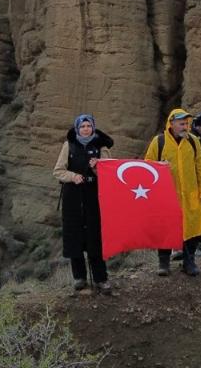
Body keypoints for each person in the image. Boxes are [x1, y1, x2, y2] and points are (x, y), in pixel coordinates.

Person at [53, 114, 114, 295]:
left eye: (88, 126)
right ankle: (79, 278)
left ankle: (101, 279)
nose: (86, 129)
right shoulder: (68, 145)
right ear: (77, 128)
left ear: (93, 127)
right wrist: (73, 177)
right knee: (74, 237)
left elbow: (109, 172)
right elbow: (58, 171)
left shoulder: (101, 146)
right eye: (83, 126)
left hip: (94, 197)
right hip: (73, 198)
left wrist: (97, 167)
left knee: (95, 238)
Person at [145, 107, 201, 277]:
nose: (185, 127)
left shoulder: (194, 142)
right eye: (182, 124)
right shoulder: (159, 142)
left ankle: (189, 261)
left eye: (187, 123)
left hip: (191, 194)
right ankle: (164, 262)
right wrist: (159, 167)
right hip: (166, 195)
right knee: (165, 227)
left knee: (193, 228)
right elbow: (147, 167)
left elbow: (200, 168)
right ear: (171, 124)